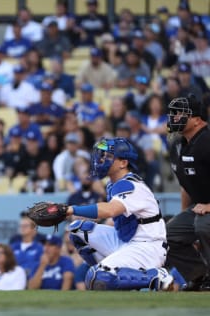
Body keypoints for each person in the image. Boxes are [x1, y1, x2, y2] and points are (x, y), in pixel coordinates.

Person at [52, 137, 174, 291]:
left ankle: (156, 277)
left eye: (109, 157)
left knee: (96, 277)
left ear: (123, 163)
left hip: (147, 246)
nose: (102, 160)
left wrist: (71, 209)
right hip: (125, 240)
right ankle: (114, 273)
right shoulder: (112, 184)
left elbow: (110, 210)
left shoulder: (130, 184)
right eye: (102, 156)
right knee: (77, 229)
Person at [165, 94, 210, 291]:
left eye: (182, 113)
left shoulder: (207, 142)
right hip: (199, 208)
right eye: (174, 113)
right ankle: (199, 275)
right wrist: (184, 216)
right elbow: (186, 186)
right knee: (166, 234)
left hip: (207, 210)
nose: (175, 117)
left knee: (204, 224)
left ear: (198, 120)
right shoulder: (178, 145)